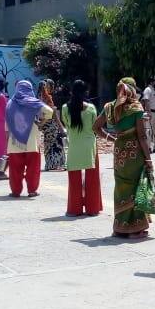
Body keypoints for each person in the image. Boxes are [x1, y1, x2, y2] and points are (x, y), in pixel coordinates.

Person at [93, 77, 154, 238]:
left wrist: (112, 139)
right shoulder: (135, 107)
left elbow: (96, 127)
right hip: (135, 154)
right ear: (132, 90)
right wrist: (148, 159)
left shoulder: (109, 107)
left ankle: (119, 227)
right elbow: (141, 136)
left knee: (121, 188)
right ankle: (135, 228)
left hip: (119, 152)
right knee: (136, 188)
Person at [6, 79, 53, 198]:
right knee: (33, 168)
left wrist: (7, 142)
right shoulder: (34, 102)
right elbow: (49, 111)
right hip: (32, 141)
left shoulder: (10, 104)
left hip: (15, 141)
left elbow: (7, 125)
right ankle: (32, 190)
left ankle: (16, 191)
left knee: (15, 169)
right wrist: (42, 123)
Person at [62, 79, 102, 217]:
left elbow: (67, 125)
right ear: (85, 92)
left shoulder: (65, 108)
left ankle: (74, 209)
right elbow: (95, 127)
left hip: (74, 144)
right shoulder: (91, 108)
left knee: (74, 178)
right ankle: (92, 208)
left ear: (72, 91)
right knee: (92, 178)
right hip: (90, 144)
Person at [38, 79, 67, 171]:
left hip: (44, 125)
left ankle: (49, 164)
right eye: (51, 86)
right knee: (56, 144)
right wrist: (61, 127)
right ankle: (55, 164)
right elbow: (53, 114)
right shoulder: (48, 98)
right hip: (51, 124)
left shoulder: (38, 97)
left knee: (48, 144)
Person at [142, 78, 155, 153]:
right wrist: (148, 112)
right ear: (151, 82)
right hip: (151, 113)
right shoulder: (148, 89)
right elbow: (146, 101)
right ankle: (148, 148)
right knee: (148, 131)